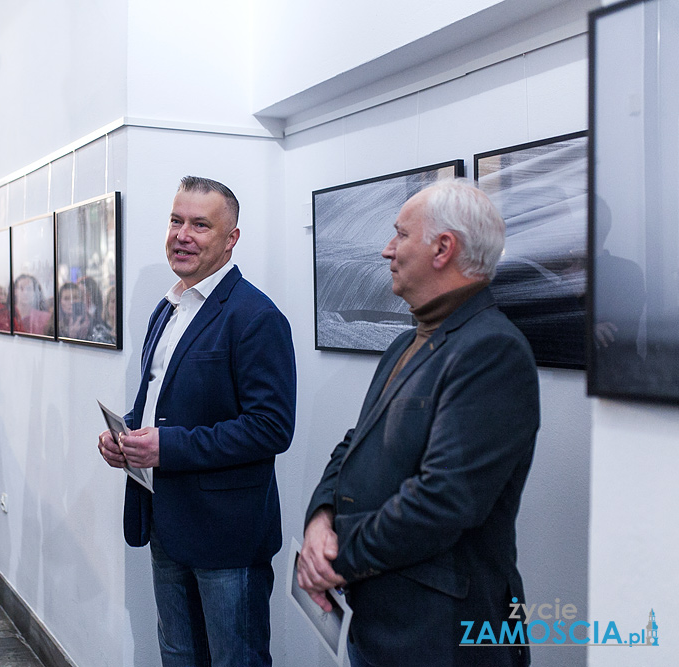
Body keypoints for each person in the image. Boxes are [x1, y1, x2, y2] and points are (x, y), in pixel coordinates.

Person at [298, 179, 540, 667]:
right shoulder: (405, 342)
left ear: (442, 248)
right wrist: (320, 519)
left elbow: (444, 500)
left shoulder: (493, 350)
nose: (387, 250)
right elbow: (355, 443)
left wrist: (337, 559)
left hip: (441, 635)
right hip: (385, 620)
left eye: (400, 235)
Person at [97, 176, 296, 667]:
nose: (182, 234)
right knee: (179, 655)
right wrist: (125, 434)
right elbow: (162, 404)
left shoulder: (256, 317)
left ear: (231, 240)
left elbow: (272, 427)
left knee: (235, 660)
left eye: (200, 225)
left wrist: (165, 447)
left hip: (228, 537)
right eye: (176, 220)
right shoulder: (168, 309)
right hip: (167, 518)